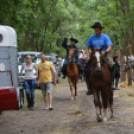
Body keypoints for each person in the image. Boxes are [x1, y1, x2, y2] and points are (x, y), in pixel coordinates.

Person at [85, 22, 116, 95]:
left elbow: (110, 46)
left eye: (97, 28)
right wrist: (88, 55)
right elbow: (86, 47)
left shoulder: (105, 37)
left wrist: (105, 51)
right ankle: (89, 87)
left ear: (101, 29)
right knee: (86, 69)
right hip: (94, 56)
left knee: (112, 65)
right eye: (95, 28)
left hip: (103, 55)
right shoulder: (91, 38)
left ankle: (111, 83)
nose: (96, 29)